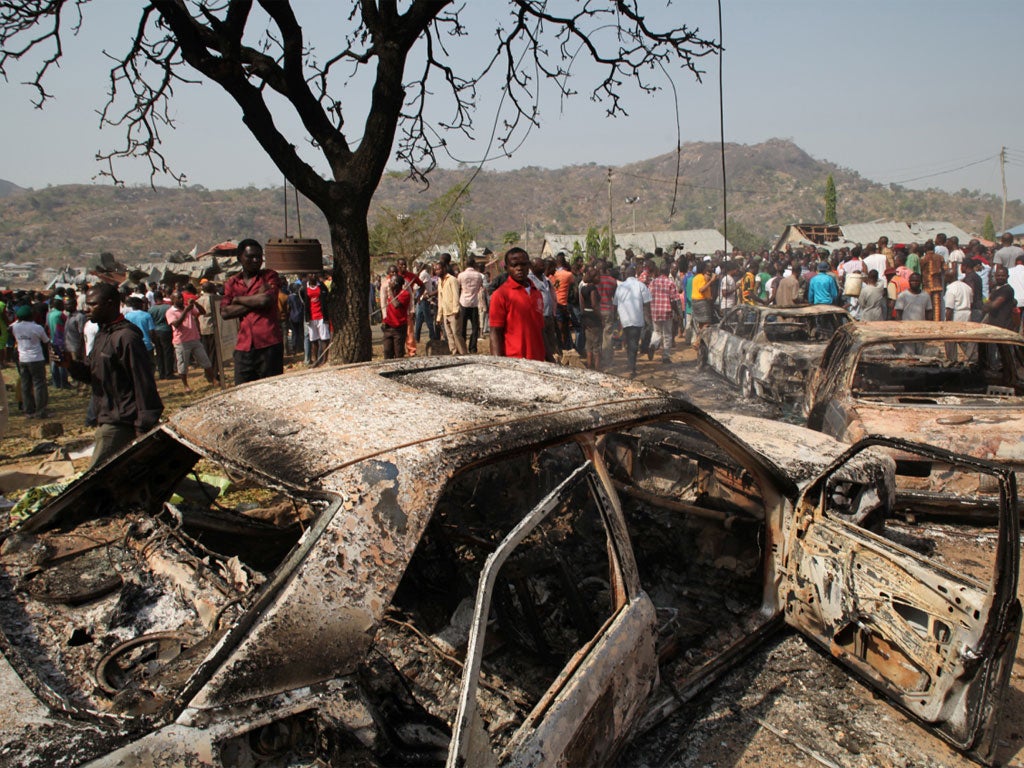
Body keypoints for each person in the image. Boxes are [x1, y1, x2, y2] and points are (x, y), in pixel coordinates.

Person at [60, 283, 163, 468]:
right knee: (150, 468)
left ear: (109, 304)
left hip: (122, 421)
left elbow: (143, 383)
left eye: (92, 304)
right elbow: (92, 375)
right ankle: (204, 493)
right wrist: (69, 365)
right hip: (108, 414)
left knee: (95, 478)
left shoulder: (126, 338)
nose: (86, 308)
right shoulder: (103, 334)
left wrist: (144, 424)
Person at [221, 239, 284, 384]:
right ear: (239, 258)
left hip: (269, 345)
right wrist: (254, 300)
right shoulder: (232, 282)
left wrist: (237, 299)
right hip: (244, 347)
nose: (256, 260)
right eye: (250, 257)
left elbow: (266, 301)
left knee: (271, 391)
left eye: (259, 257)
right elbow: (225, 312)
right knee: (243, 390)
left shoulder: (269, 276)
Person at [489, 247, 545, 361]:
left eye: (523, 264)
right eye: (514, 265)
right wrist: (499, 364)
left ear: (529, 266)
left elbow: (541, 330)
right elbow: (495, 332)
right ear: (506, 268)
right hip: (515, 362)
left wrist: (549, 358)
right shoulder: (500, 295)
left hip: (538, 360)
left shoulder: (537, 293)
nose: (519, 268)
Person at [166, 290, 216, 393]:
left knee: (205, 360)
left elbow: (202, 312)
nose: (180, 299)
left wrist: (195, 304)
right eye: (178, 298)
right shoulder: (170, 312)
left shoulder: (187, 308)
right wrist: (186, 310)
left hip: (194, 338)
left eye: (181, 297)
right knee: (183, 365)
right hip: (181, 341)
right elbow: (176, 324)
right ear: (173, 300)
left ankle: (213, 379)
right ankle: (186, 385)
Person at [613, 264, 652, 377]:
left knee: (629, 341)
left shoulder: (621, 287)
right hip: (637, 318)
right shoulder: (641, 286)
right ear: (635, 274)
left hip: (624, 319)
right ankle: (632, 367)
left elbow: (615, 304)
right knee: (634, 342)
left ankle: (631, 364)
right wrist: (648, 318)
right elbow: (646, 303)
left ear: (625, 274)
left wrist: (614, 316)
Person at [12, 304, 50, 419]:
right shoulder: (37, 328)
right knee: (39, 385)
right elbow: (46, 341)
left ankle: (28, 411)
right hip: (36, 358)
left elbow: (10, 328)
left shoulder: (15, 327)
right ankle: (40, 411)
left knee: (25, 385)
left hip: (22, 359)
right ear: (31, 316)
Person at [647, 264, 676, 363]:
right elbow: (674, 300)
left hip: (655, 311)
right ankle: (666, 357)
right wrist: (677, 312)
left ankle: (653, 345)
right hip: (667, 312)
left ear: (659, 271)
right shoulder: (670, 283)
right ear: (668, 272)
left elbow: (648, 297)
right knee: (667, 334)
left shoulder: (653, 283)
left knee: (657, 331)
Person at [300, 272, 331, 366]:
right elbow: (302, 299)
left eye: (314, 274)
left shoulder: (321, 286)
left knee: (324, 339)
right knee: (313, 340)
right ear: (307, 276)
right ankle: (315, 360)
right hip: (311, 317)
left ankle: (324, 360)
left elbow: (327, 297)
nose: (313, 276)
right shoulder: (304, 287)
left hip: (321, 316)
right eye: (310, 274)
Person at [457, 258, 484, 354]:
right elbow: (480, 287)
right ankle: (473, 348)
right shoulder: (479, 275)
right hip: (474, 303)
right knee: (475, 328)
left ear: (465, 264)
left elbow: (458, 287)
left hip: (463, 303)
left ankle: (463, 347)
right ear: (474, 264)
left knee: (462, 328)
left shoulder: (461, 275)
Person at [382, 274, 412, 359]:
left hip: (399, 328)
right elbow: (388, 308)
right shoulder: (392, 294)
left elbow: (396, 305)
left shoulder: (405, 294)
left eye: (392, 281)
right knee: (387, 352)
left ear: (397, 283)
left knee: (398, 352)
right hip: (388, 326)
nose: (390, 283)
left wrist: (391, 292)